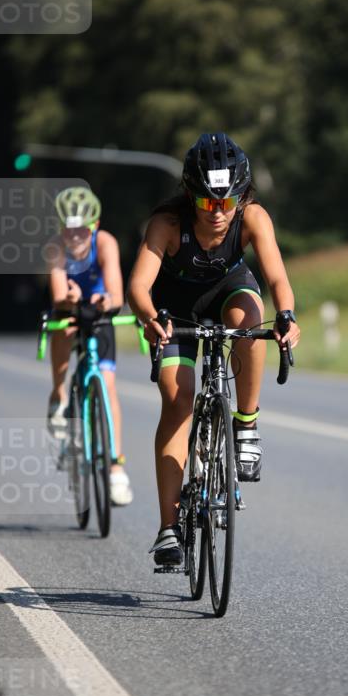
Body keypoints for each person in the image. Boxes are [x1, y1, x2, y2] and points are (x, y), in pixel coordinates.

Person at [127, 132, 300, 566]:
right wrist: (150, 318)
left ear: (242, 197)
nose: (219, 213)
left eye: (229, 202)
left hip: (228, 291)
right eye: (208, 203)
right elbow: (138, 287)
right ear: (191, 196)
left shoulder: (253, 217)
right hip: (175, 308)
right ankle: (168, 529)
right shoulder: (167, 225)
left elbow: (277, 278)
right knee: (177, 397)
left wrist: (287, 316)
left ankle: (246, 425)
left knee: (249, 320)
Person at [47, 186, 133, 507]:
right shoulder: (55, 248)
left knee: (108, 386)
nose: (76, 237)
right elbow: (57, 294)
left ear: (94, 226)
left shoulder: (106, 242)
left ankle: (115, 468)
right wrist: (67, 300)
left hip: (98, 310)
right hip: (69, 309)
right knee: (65, 329)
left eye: (82, 229)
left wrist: (105, 300)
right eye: (69, 229)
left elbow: (118, 294)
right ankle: (59, 394)